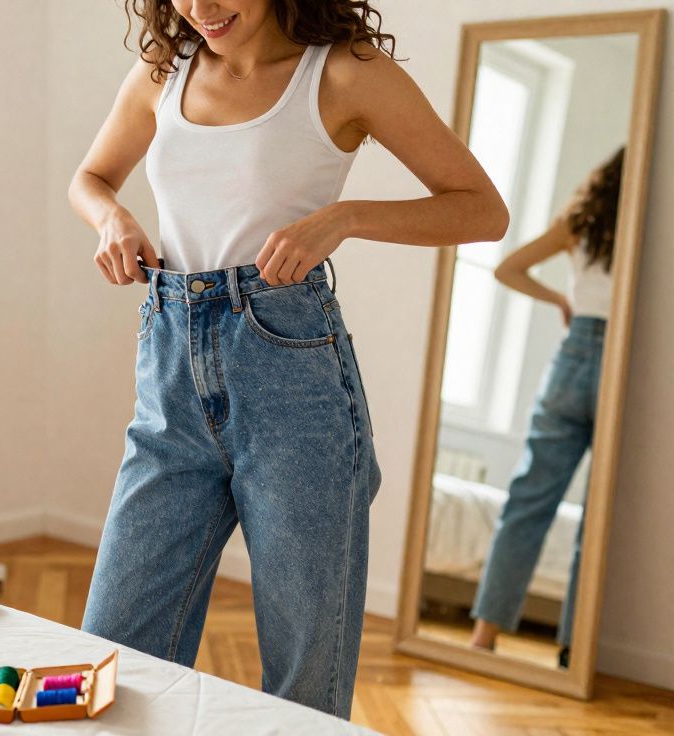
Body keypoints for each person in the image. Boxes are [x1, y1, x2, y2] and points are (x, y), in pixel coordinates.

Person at [67, 0, 508, 719]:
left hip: (293, 380)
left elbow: (482, 209)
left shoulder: (344, 73)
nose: (200, 9)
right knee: (112, 656)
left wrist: (346, 217)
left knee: (304, 683)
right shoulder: (162, 72)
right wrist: (111, 216)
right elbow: (89, 177)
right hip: (170, 375)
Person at [469, 148, 623, 669]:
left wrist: (564, 300)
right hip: (624, 367)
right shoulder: (651, 232)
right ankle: (573, 649)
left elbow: (508, 269)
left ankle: (484, 636)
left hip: (574, 356)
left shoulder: (582, 223)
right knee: (598, 519)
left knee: (528, 501)